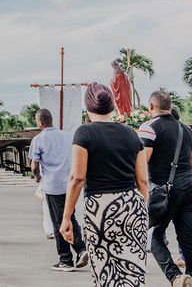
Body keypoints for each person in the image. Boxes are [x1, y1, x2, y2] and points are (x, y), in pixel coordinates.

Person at [60, 83, 149, 287]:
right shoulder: (131, 134)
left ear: (88, 108)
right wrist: (142, 208)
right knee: (133, 270)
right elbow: (143, 180)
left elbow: (77, 178)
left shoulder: (84, 133)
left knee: (105, 272)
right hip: (132, 204)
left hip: (100, 209)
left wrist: (66, 217)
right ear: (112, 107)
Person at [138, 91, 192, 287]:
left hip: (165, 192)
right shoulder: (188, 130)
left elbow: (142, 163)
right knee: (187, 237)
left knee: (154, 235)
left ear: (151, 107)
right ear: (170, 106)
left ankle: (175, 276)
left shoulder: (149, 128)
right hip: (190, 188)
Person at [31, 108, 89, 272]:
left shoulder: (38, 139)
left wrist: (38, 178)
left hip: (53, 185)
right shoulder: (67, 136)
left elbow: (35, 166)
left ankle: (66, 259)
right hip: (70, 183)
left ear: (40, 122)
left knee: (58, 222)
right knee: (69, 216)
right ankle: (81, 249)